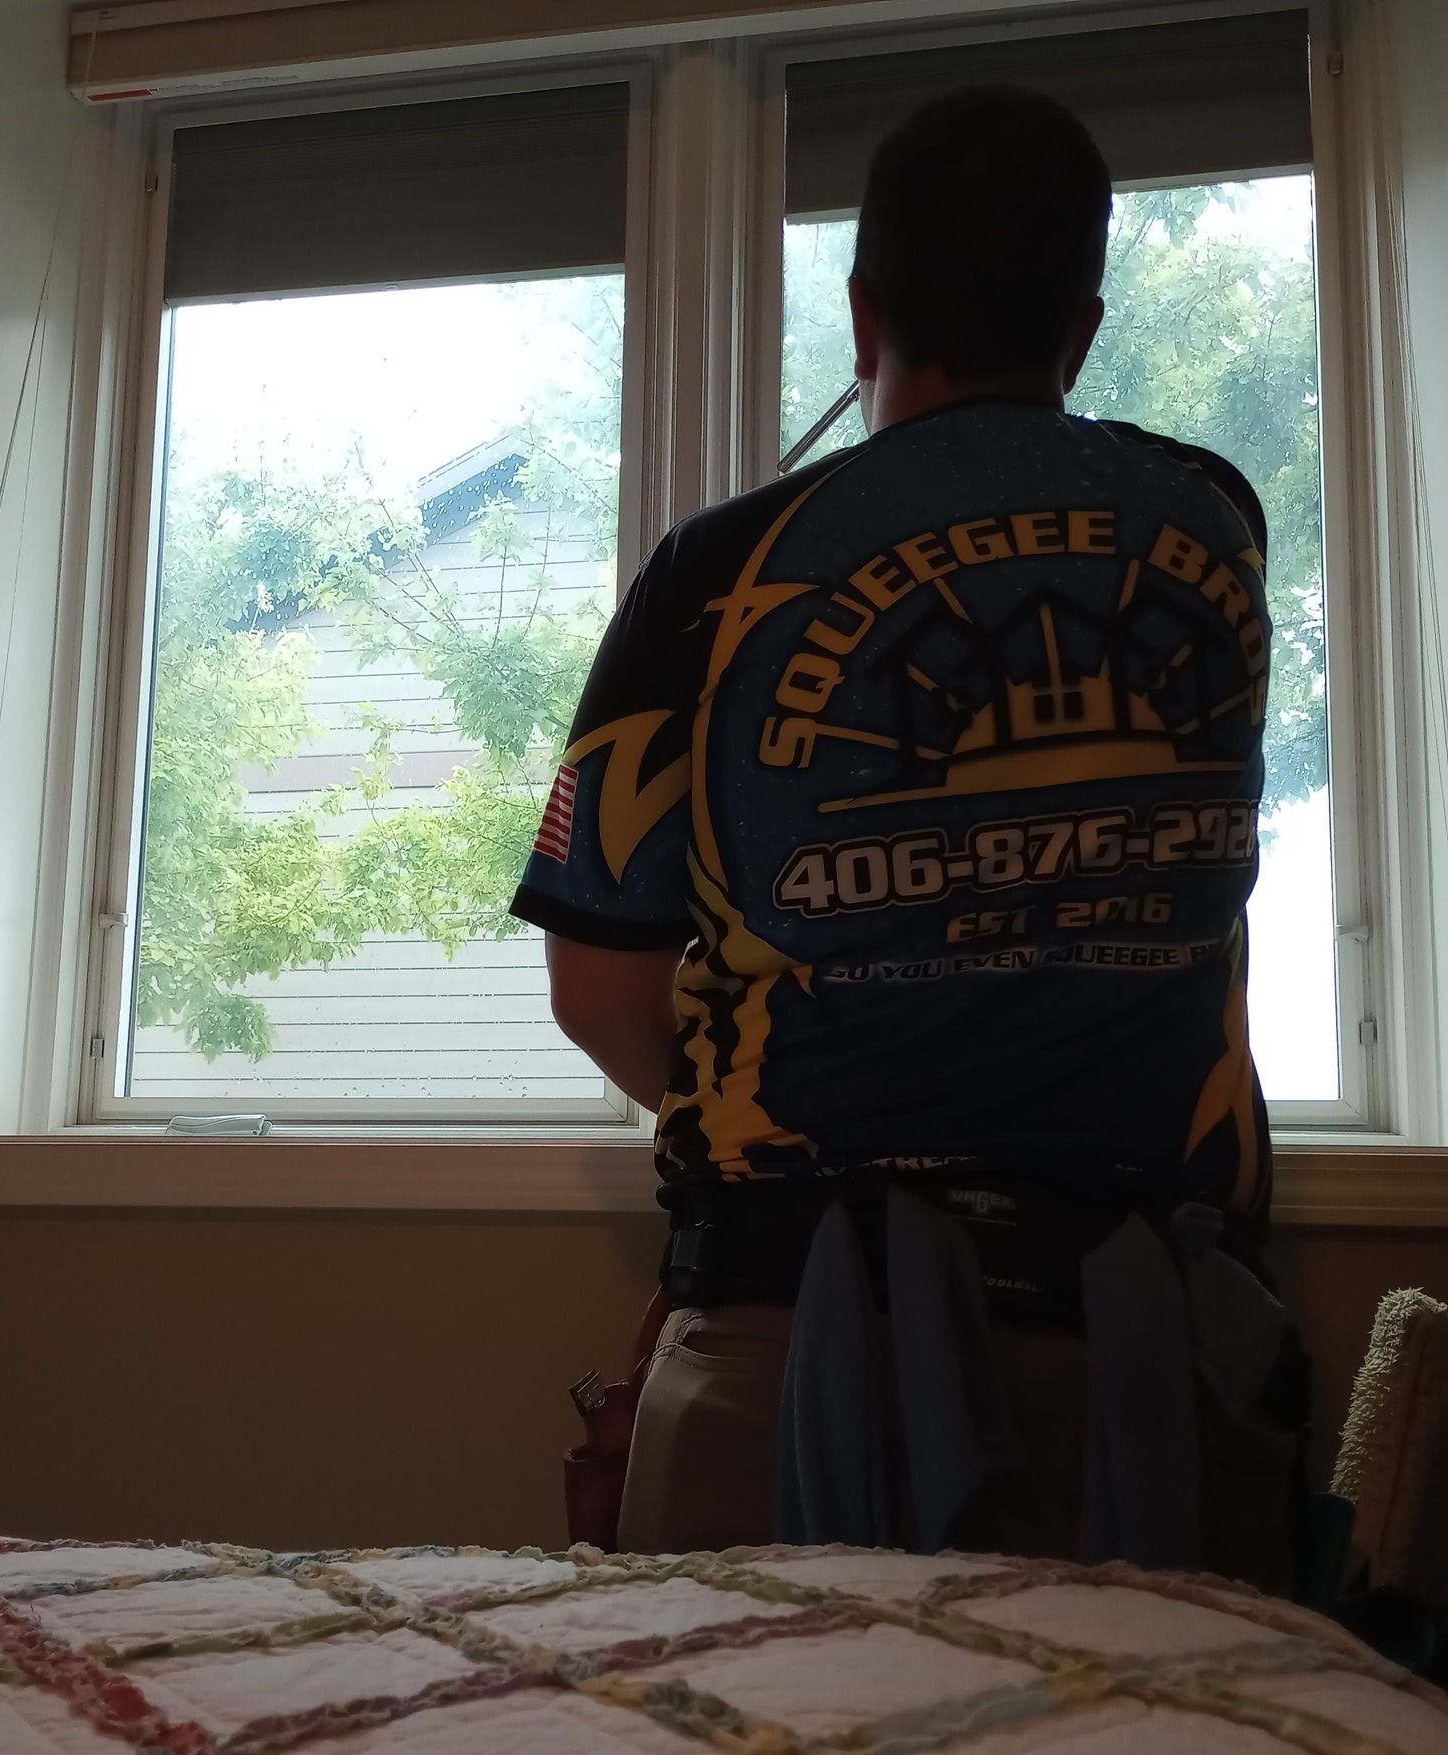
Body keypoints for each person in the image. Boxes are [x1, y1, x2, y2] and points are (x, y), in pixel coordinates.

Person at [511, 85, 1301, 1585]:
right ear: (1081, 327)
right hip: (1150, 1354)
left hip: (790, 1332)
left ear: (863, 311)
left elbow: (598, 988)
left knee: (736, 1729)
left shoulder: (715, 570)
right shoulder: (1213, 522)